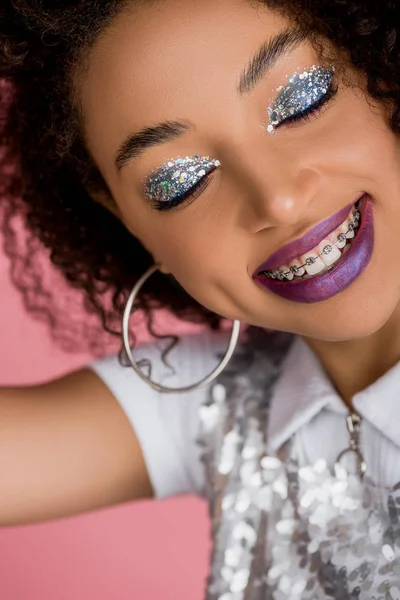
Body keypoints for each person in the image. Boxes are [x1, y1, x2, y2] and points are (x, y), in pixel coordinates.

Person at [1, 0, 400, 597]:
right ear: (125, 217)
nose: (277, 200)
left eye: (302, 99)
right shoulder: (221, 411)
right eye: (180, 181)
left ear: (382, 71)